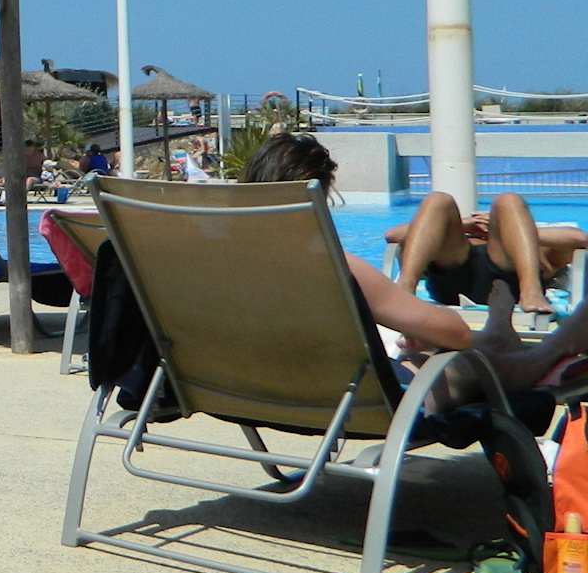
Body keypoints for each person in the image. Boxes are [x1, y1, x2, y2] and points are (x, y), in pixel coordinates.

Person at [242, 135, 588, 411]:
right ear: (316, 198)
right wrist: (428, 330)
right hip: (360, 399)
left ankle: (497, 335)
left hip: (263, 391)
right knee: (480, 361)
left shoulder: (232, 262)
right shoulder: (333, 266)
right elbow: (455, 333)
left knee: (421, 355)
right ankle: (549, 350)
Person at [386, 187, 588, 320]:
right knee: (438, 200)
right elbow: (393, 235)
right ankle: (405, 288)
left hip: (512, 285)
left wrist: (510, 230)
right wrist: (464, 224)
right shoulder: (457, 237)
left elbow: (580, 239)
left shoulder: (534, 242)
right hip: (452, 277)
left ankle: (531, 290)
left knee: (508, 200)